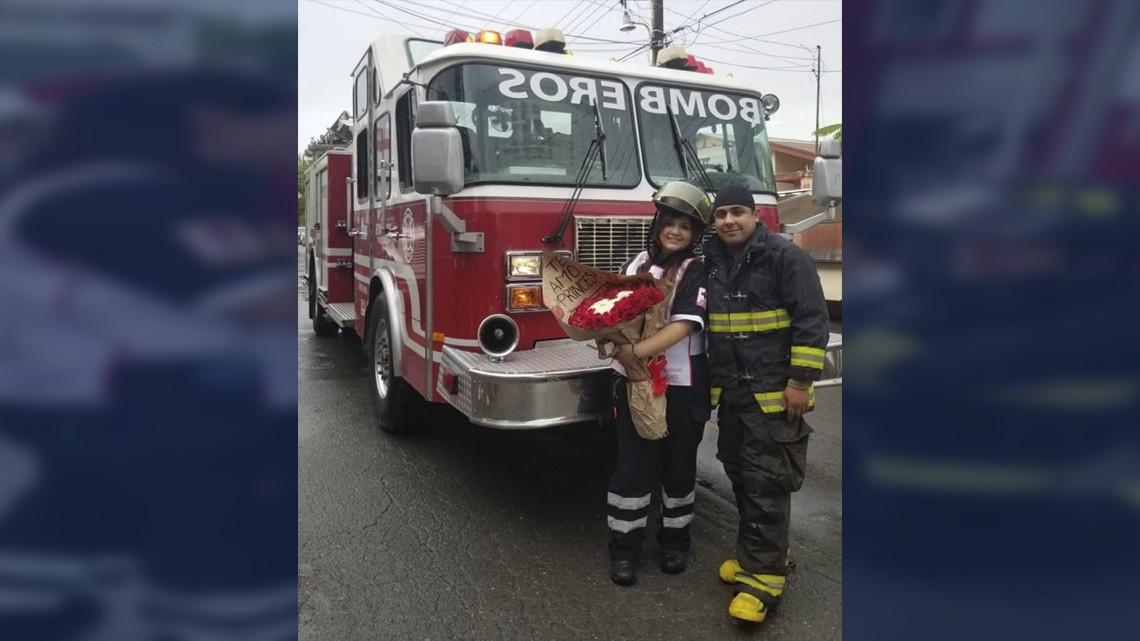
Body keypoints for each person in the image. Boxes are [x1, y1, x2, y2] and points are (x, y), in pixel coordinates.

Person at [702, 185, 829, 622]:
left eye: (737, 212)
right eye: (721, 214)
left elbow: (812, 321)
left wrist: (800, 381)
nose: (729, 221)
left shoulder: (785, 257)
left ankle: (762, 581)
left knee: (766, 481)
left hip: (774, 393)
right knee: (739, 474)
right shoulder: (713, 261)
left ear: (756, 216)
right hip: (733, 393)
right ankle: (758, 553)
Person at [606, 180, 712, 586]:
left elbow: (685, 325)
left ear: (695, 235)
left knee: (679, 466)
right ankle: (624, 550)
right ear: (658, 226)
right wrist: (609, 339)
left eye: (685, 227)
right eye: (670, 223)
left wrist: (635, 350)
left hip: (682, 386)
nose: (676, 232)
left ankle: (675, 544)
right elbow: (608, 309)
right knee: (633, 467)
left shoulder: (694, 270)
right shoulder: (636, 263)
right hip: (635, 383)